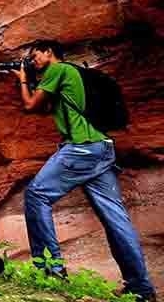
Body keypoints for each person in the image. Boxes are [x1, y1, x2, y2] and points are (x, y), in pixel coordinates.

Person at [12, 39, 156, 302]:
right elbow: (45, 108)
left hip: (81, 149)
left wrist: (23, 79)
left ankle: (50, 270)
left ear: (50, 53)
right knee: (116, 219)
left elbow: (30, 106)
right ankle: (141, 289)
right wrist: (31, 79)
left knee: (36, 195)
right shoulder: (73, 73)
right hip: (102, 148)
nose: (32, 61)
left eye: (35, 56)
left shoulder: (57, 69)